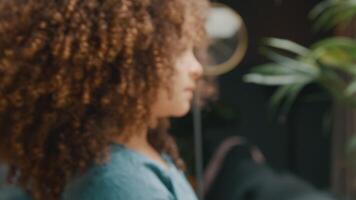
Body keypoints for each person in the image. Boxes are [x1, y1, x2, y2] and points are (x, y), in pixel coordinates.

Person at [0, 0, 209, 199]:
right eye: (180, 51)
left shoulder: (139, 153)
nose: (197, 68)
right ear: (126, 60)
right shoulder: (122, 184)